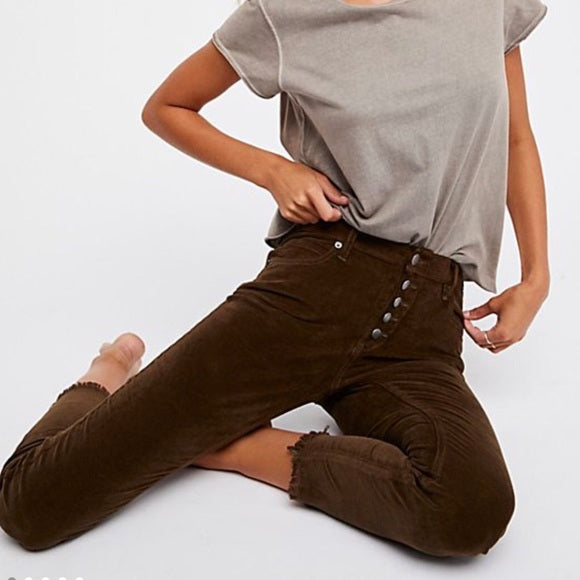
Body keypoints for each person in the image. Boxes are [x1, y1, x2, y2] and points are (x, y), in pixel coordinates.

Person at [0, 0, 550, 558]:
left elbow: (515, 137)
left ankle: (232, 445)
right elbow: (167, 106)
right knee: (31, 505)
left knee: (469, 508)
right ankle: (111, 370)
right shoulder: (284, 11)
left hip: (425, 327)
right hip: (316, 293)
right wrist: (275, 171)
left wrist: (536, 278)